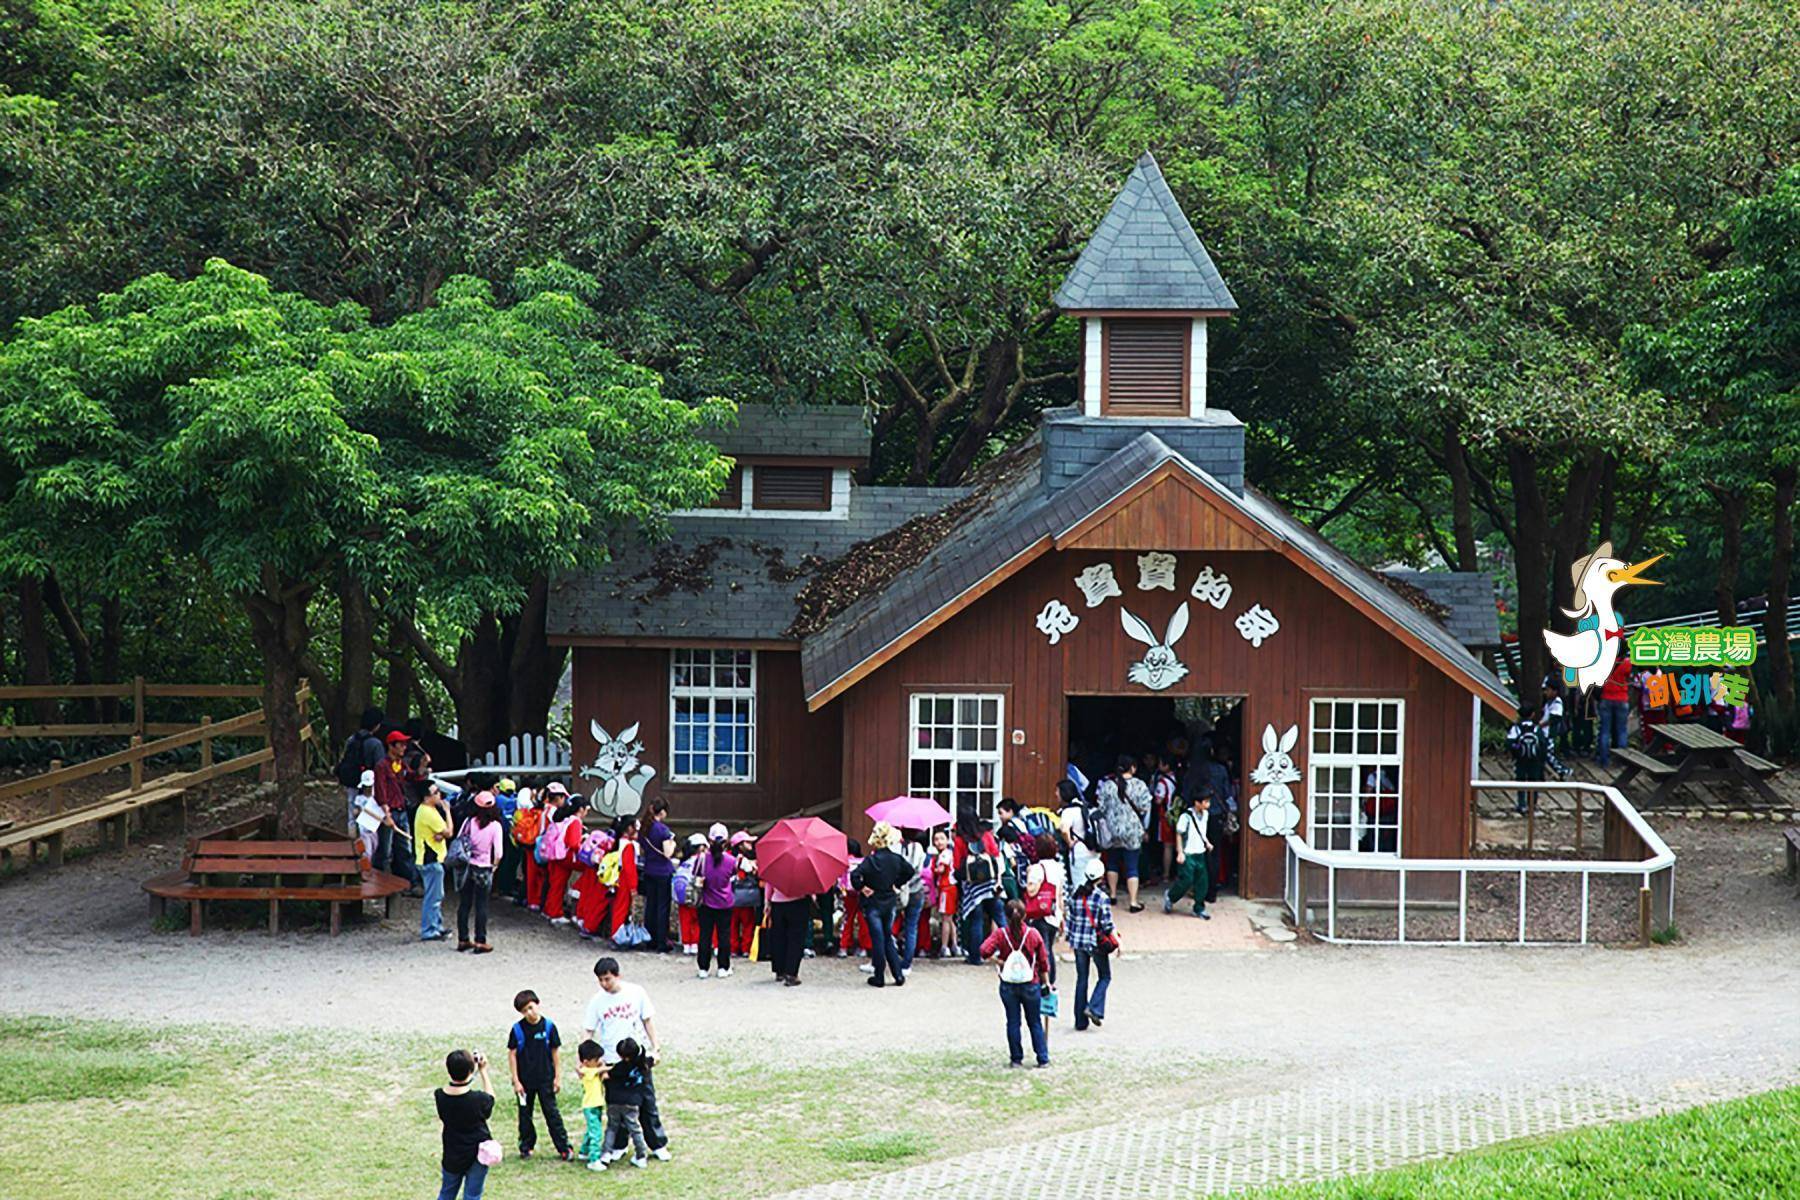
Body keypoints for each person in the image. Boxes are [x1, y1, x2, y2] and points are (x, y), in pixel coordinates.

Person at [580, 957, 670, 1161]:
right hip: (611, 1061)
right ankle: (619, 1144)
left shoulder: (636, 992)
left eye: (607, 979)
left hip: (637, 1059)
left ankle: (656, 1143)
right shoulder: (597, 1001)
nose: (604, 984)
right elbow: (589, 1030)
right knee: (617, 1106)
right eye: (600, 980)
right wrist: (583, 1061)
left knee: (647, 1102)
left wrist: (655, 1047)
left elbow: (648, 1020)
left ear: (617, 975)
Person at [979, 898, 1051, 1068]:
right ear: (1025, 915)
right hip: (1030, 983)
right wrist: (1046, 982)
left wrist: (999, 962)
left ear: (1006, 916)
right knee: (1034, 1022)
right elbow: (1043, 961)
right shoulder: (1033, 934)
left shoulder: (1001, 934)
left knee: (1013, 1021)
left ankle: (1016, 1058)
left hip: (1008, 984)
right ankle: (1042, 1057)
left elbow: (983, 950)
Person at [506, 989, 570, 1161]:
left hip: (545, 1079)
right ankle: (526, 1146)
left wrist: (558, 1077)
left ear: (537, 1004)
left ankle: (564, 1147)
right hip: (525, 1081)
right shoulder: (517, 1030)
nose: (529, 1013)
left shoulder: (549, 1027)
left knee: (552, 1114)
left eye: (531, 1008)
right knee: (525, 1115)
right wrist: (516, 1080)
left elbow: (555, 1053)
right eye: (524, 1011)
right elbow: (512, 1054)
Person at [851, 821, 916, 988]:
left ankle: (879, 975)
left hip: (873, 902)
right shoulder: (896, 859)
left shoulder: (871, 860)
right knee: (887, 937)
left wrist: (862, 887)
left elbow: (855, 875)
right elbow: (909, 871)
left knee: (878, 939)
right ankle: (898, 974)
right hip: (889, 901)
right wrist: (897, 884)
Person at [433, 1047, 496, 1200]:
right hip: (477, 1153)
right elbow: (490, 1098)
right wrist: (483, 1071)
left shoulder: (440, 1096)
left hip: (452, 1153)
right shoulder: (478, 1100)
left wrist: (471, 1069)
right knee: (472, 1195)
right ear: (470, 1070)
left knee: (446, 1193)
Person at [1065, 858, 1115, 1031]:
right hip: (1095, 942)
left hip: (1079, 942)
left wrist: (1069, 939)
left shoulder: (1075, 894)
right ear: (1101, 878)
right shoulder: (1102, 898)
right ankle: (1094, 1007)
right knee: (1105, 976)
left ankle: (1079, 1020)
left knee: (1081, 979)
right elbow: (1107, 925)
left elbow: (1070, 919)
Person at [1096, 754, 1150, 912]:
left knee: (1112, 863)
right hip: (1132, 830)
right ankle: (1133, 902)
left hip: (1112, 830)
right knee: (1132, 867)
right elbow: (1145, 807)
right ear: (1132, 767)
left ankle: (1112, 895)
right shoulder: (1139, 785)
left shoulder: (1108, 785)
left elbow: (1101, 808)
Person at [454, 791, 505, 953]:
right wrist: (494, 866)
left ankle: (463, 939)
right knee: (481, 905)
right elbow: (499, 853)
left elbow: (459, 839)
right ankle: (480, 940)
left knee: (464, 903)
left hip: (468, 865)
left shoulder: (469, 822)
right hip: (484, 867)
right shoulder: (495, 826)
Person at [954, 808, 1004, 965]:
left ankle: (975, 957)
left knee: (977, 921)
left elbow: (957, 865)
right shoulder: (986, 835)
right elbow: (996, 856)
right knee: (1000, 918)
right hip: (990, 883)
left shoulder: (960, 839)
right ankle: (1014, 949)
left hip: (972, 886)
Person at [693, 823, 738, 979]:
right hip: (725, 902)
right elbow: (732, 876)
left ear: (709, 841)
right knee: (724, 936)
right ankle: (723, 967)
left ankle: (703, 968)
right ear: (726, 841)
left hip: (706, 902)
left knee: (705, 935)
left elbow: (696, 876)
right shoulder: (731, 861)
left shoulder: (702, 859)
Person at [1507, 704, 1568, 815]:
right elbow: (1543, 745)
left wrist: (1515, 753)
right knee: (1533, 782)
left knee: (1520, 781)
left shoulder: (1516, 728)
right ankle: (1532, 805)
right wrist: (1541, 759)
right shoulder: (1536, 728)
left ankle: (1521, 804)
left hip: (1521, 760)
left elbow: (1510, 743)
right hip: (1535, 761)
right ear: (1532, 715)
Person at [601, 1037, 652, 1168]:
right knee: (635, 1129)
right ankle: (641, 1156)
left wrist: (601, 1068)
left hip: (614, 1101)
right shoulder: (643, 1063)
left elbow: (606, 1076)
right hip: (632, 1102)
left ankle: (606, 1153)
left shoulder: (618, 1068)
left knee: (612, 1127)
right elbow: (655, 1059)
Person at [376, 730, 417, 890]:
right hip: (390, 811)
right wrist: (386, 815)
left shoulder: (401, 764)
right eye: (400, 744)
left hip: (402, 810)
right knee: (385, 851)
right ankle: (380, 883)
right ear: (391, 746)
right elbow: (381, 791)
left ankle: (408, 882)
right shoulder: (382, 766)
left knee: (404, 849)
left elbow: (412, 777)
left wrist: (422, 767)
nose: (404, 748)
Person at [1023, 832, 1064, 986]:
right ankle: (1050, 981)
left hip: (1039, 914)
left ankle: (1044, 981)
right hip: (1054, 913)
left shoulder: (1037, 868)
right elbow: (1060, 894)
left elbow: (1031, 890)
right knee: (1049, 949)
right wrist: (1062, 916)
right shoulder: (1059, 868)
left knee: (1041, 950)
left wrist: (1028, 877)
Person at [638, 799, 678, 953]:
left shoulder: (644, 828)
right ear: (662, 812)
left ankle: (650, 938)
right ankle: (661, 941)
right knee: (663, 907)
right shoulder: (663, 830)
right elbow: (667, 853)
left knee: (650, 906)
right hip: (663, 871)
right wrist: (673, 844)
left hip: (649, 869)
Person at [414, 781, 452, 941]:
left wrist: (441, 834)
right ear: (427, 796)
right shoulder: (428, 813)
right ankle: (429, 930)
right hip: (431, 859)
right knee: (433, 896)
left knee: (437, 894)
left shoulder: (428, 810)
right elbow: (449, 832)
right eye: (436, 792)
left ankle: (436, 925)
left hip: (431, 857)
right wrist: (448, 811)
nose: (439, 795)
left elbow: (442, 832)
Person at [338, 706, 386, 832]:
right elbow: (381, 767)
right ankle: (367, 843)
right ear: (376, 725)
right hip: (368, 784)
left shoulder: (352, 739)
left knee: (352, 812)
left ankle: (352, 839)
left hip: (352, 781)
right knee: (368, 813)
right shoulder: (375, 744)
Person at [1165, 794, 1212, 919]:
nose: (1208, 805)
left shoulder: (1206, 815)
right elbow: (1179, 834)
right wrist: (1180, 852)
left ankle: (1199, 908)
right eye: (1206, 801)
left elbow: (1202, 831)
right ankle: (1171, 896)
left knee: (1202, 881)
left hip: (1200, 852)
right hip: (1188, 852)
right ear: (1197, 802)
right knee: (1186, 879)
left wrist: (1206, 842)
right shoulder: (1185, 817)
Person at [764, 874, 812, 986]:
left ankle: (779, 970)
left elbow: (769, 882)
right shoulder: (804, 865)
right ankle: (791, 973)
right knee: (796, 939)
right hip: (798, 901)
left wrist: (767, 901)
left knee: (778, 937)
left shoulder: (776, 863)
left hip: (777, 903)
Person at [543, 798, 584, 926]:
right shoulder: (576, 821)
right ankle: (555, 913)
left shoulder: (566, 819)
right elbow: (573, 843)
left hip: (556, 854)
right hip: (565, 856)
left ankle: (549, 910)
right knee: (559, 885)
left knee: (555, 884)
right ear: (581, 809)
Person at [1056, 778, 1099, 891]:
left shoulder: (1068, 811)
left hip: (1079, 852)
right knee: (1093, 884)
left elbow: (1064, 830)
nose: (1056, 794)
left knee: (1080, 885)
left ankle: (1082, 907)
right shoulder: (1086, 806)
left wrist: (1069, 842)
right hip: (1093, 850)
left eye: (1057, 791)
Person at [896, 827, 929, 972]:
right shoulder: (919, 848)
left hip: (898, 889)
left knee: (889, 924)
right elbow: (920, 868)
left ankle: (889, 956)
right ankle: (906, 964)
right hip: (916, 889)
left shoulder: (896, 847)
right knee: (911, 927)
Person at [575, 1040, 610, 1172]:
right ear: (585, 1061)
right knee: (596, 1133)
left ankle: (584, 1151)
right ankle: (594, 1159)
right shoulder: (586, 1071)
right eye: (596, 1059)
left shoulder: (591, 1069)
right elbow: (601, 1069)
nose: (599, 1061)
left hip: (596, 1104)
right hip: (590, 1105)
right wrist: (611, 1067)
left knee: (591, 1130)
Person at [1595, 651, 1632, 768]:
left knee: (1605, 731)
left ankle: (1604, 760)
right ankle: (1621, 760)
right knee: (1622, 730)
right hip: (1622, 699)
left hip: (1606, 698)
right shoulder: (1627, 663)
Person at [607, 815, 640, 943]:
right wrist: (633, 886)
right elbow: (629, 868)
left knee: (618, 906)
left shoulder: (618, 842)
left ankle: (615, 933)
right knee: (622, 907)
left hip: (617, 877)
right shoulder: (628, 845)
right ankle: (617, 935)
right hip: (624, 879)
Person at [351, 770, 391, 868]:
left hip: (374, 829)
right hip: (364, 829)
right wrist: (358, 812)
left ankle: (371, 867)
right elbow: (355, 812)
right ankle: (365, 869)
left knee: (375, 847)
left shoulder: (377, 799)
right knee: (366, 850)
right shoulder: (359, 799)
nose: (368, 789)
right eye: (366, 787)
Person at [930, 828, 959, 959]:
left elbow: (941, 870)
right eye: (936, 839)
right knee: (950, 918)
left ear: (947, 840)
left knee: (946, 919)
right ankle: (954, 945)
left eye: (942, 838)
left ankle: (944, 946)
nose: (939, 842)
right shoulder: (948, 853)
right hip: (950, 887)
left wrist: (932, 868)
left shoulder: (944, 855)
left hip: (946, 887)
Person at [676, 833, 704, 954]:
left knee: (685, 920)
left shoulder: (683, 862)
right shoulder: (700, 861)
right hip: (695, 894)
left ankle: (686, 943)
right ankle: (695, 943)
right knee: (697, 920)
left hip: (682, 894)